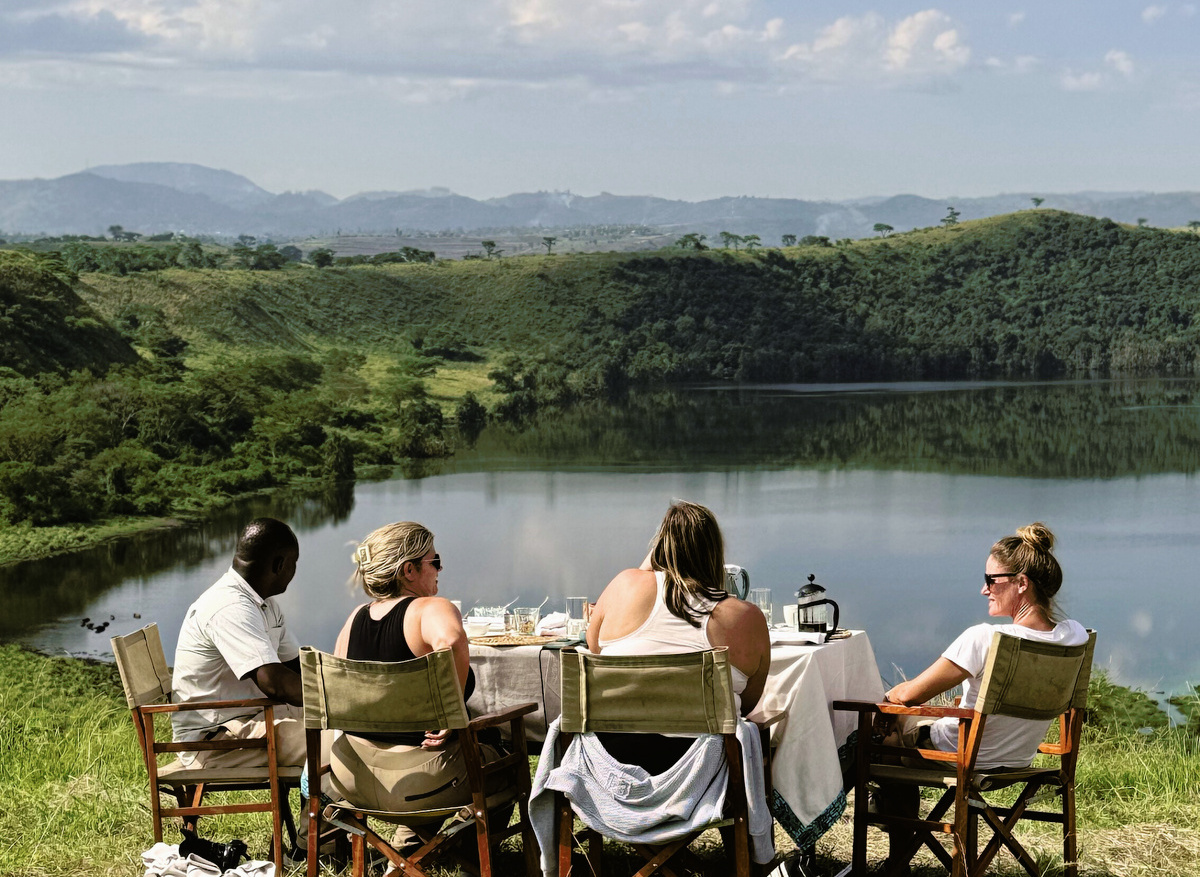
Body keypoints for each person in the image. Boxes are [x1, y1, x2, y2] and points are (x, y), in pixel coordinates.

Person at [874, 522, 1088, 868]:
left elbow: (908, 695)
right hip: (1019, 759)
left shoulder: (985, 638)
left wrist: (887, 698)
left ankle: (897, 855)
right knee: (900, 724)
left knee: (887, 733)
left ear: (1022, 583)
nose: (983, 589)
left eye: (991, 580)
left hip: (965, 757)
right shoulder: (1074, 636)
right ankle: (890, 823)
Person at [329, 520, 495, 855]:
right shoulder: (429, 609)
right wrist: (452, 715)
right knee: (499, 760)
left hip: (353, 778)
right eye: (435, 561)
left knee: (440, 756)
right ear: (409, 570)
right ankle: (467, 862)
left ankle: (407, 854)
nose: (440, 569)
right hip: (419, 783)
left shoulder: (354, 619)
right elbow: (450, 640)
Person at [587, 499, 771, 773]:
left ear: (659, 548)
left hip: (613, 764)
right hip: (701, 772)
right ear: (714, 553)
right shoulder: (746, 617)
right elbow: (748, 704)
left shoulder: (623, 585)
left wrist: (650, 563)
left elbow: (594, 649)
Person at [171, 517, 305, 768]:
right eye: (294, 564)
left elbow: (297, 667)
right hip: (214, 741)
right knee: (338, 745)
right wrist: (334, 699)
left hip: (251, 719)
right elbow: (274, 682)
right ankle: (325, 808)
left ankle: (313, 806)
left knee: (348, 727)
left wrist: (346, 688)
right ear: (279, 565)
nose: (294, 572)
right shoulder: (230, 606)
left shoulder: (263, 605)